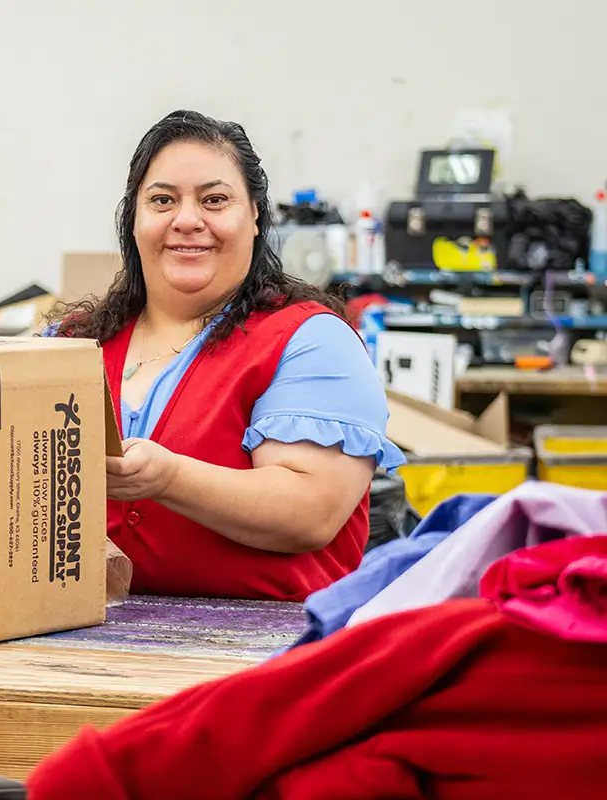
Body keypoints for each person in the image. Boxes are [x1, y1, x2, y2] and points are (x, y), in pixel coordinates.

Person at [46, 110, 405, 601]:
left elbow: (311, 512)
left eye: (214, 200)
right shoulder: (68, 344)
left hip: (264, 652)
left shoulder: (311, 342)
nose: (188, 220)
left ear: (255, 215)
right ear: (134, 219)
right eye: (162, 200)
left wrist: (169, 478)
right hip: (71, 647)